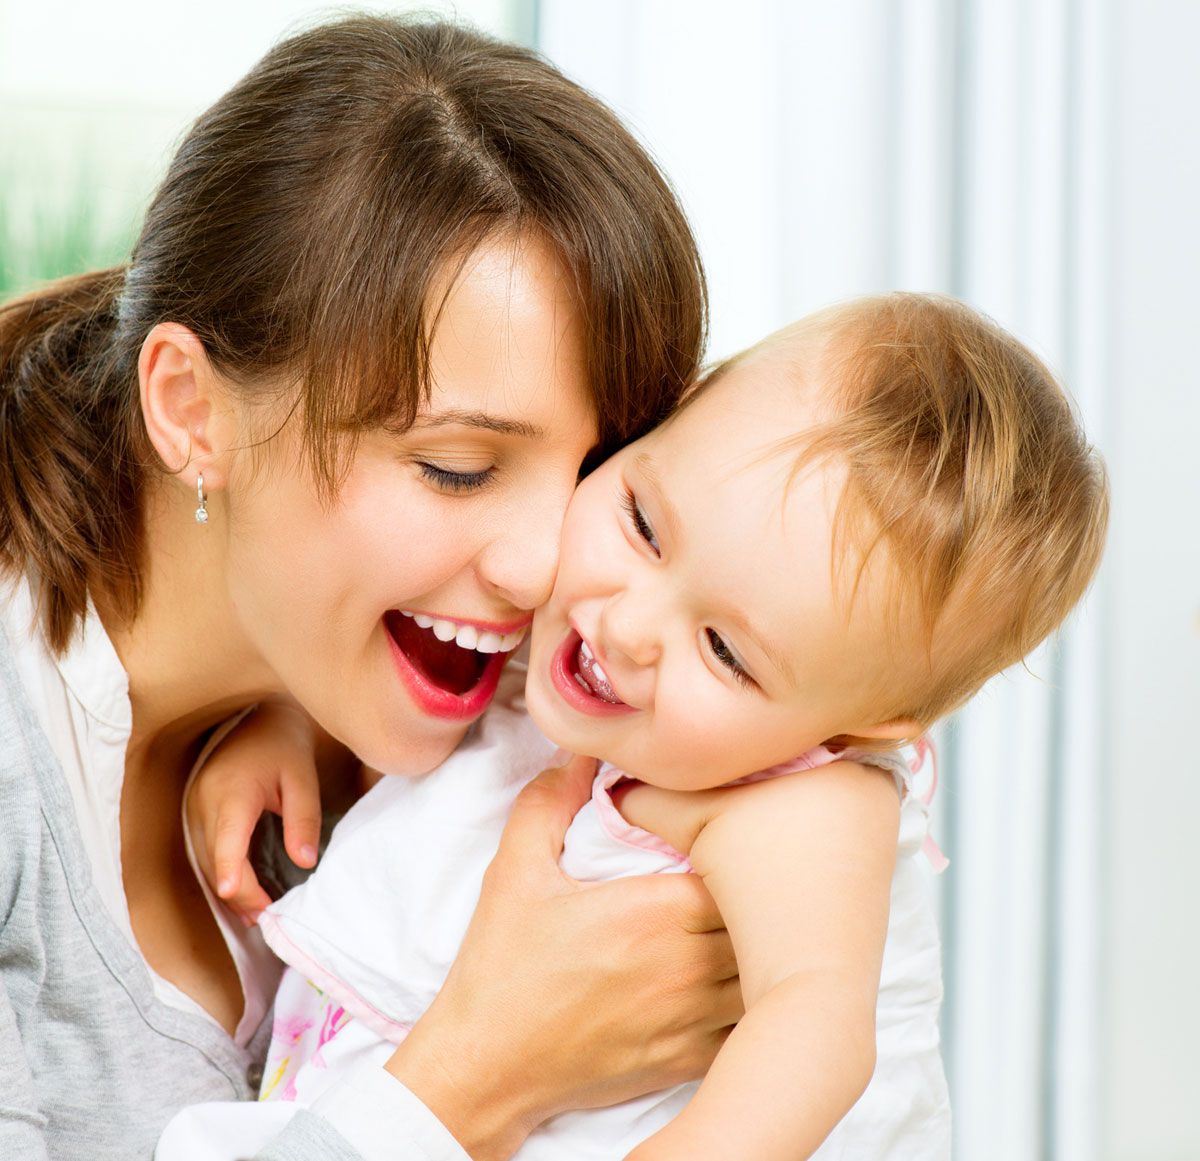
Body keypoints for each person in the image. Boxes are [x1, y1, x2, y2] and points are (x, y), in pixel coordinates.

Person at [0, 15, 744, 1161]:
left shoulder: (407, 708)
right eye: (458, 467)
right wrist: (479, 1076)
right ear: (191, 409)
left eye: (601, 473)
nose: (544, 565)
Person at [175, 293, 1108, 1159]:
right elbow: (398, 677)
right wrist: (293, 728)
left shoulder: (802, 803)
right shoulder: (550, 617)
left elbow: (817, 1029)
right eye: (645, 525)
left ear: (858, 726)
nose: (627, 625)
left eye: (725, 651)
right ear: (669, 418)